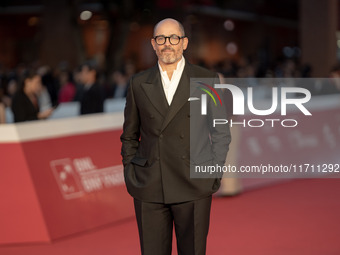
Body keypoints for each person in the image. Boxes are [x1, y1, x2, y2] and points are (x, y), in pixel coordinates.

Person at [120, 18, 231, 255]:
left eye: (173, 38)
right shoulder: (138, 83)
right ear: (153, 44)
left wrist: (213, 173)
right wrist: (131, 173)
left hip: (194, 184)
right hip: (149, 186)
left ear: (184, 43)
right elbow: (129, 136)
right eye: (161, 39)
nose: (167, 44)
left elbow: (220, 130)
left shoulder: (207, 79)